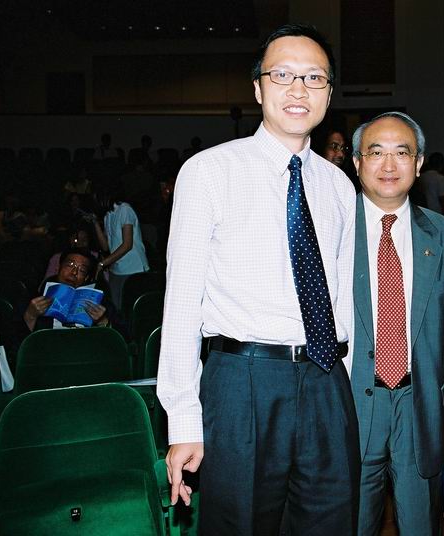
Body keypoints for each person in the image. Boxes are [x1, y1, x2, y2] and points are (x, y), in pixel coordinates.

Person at [157, 23, 359, 535]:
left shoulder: (338, 185)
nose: (298, 89)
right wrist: (183, 420)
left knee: (331, 522)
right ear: (257, 88)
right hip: (242, 382)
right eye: (283, 75)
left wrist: (345, 384)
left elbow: (342, 300)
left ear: (329, 93)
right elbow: (181, 303)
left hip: (325, 380)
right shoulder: (209, 171)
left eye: (314, 78)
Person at [349, 112, 444, 535]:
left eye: (401, 153)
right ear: (357, 162)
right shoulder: (333, 230)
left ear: (419, 163)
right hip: (350, 408)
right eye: (376, 153)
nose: (389, 165)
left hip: (419, 407)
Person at [90, 183, 150, 310]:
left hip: (133, 268)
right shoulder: (108, 215)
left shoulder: (125, 210)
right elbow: (106, 246)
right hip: (116, 268)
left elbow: (127, 245)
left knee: (129, 308)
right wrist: (95, 223)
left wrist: (102, 263)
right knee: (116, 307)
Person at [23, 247, 109, 332]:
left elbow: (113, 335)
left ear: (86, 278)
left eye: (82, 270)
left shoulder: (97, 303)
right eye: (70, 265)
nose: (74, 272)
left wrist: (103, 322)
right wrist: (30, 315)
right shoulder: (35, 302)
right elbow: (20, 338)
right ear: (58, 268)